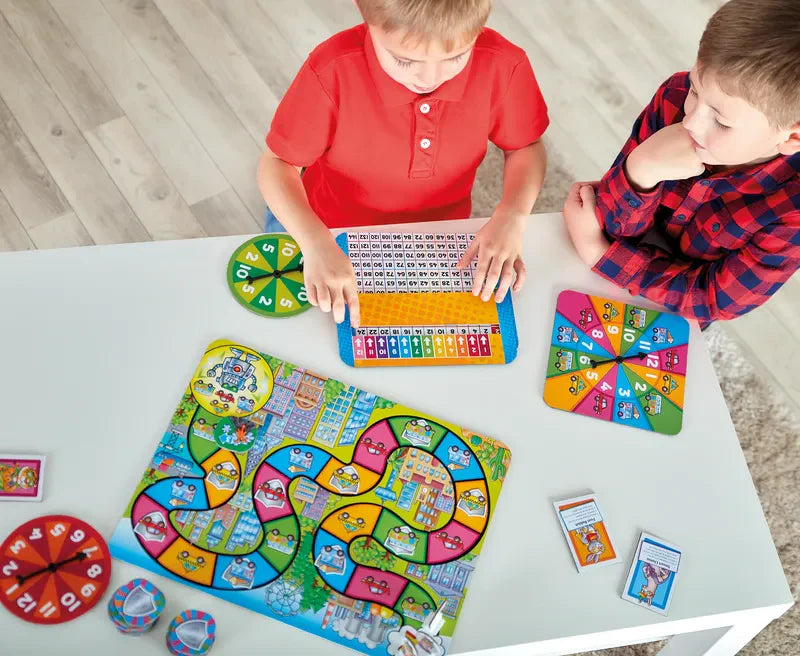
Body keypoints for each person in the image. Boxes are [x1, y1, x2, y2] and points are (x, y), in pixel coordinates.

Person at [258, 0, 549, 326]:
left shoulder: (503, 65)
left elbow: (525, 146)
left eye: (456, 56)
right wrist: (315, 241)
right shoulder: (331, 70)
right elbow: (278, 164)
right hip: (325, 229)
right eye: (405, 60)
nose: (431, 77)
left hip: (435, 239)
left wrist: (512, 214)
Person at [563, 0, 800, 327]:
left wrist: (598, 253)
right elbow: (609, 219)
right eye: (695, 89)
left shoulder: (793, 210)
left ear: (791, 139)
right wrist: (641, 169)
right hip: (627, 263)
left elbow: (715, 299)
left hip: (676, 310)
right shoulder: (676, 97)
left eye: (720, 121)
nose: (690, 121)